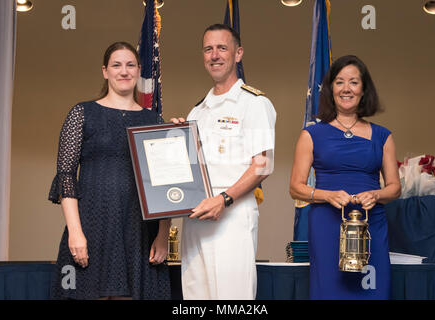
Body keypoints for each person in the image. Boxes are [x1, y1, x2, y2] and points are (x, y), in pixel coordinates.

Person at [48, 41, 171, 300]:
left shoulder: (154, 121)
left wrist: (162, 236)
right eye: (116, 65)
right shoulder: (82, 113)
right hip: (91, 227)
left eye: (130, 65)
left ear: (138, 71)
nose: (123, 71)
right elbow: (66, 177)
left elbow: (164, 185)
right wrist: (75, 232)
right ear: (105, 71)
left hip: (138, 232)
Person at [172, 24, 276, 300]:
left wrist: (224, 200)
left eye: (222, 48)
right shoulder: (198, 110)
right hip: (195, 217)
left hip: (232, 216)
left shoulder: (254, 103)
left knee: (232, 300)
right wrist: (173, 139)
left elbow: (262, 165)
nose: (214, 55)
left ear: (238, 53)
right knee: (196, 297)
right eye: (208, 49)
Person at [289, 55, 401, 299]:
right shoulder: (311, 134)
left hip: (371, 224)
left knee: (372, 291)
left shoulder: (383, 136)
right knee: (329, 290)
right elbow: (296, 188)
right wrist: (326, 195)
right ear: (330, 89)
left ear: (364, 89)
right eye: (340, 82)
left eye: (353, 82)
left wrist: (376, 194)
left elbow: (395, 188)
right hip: (326, 224)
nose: (346, 89)